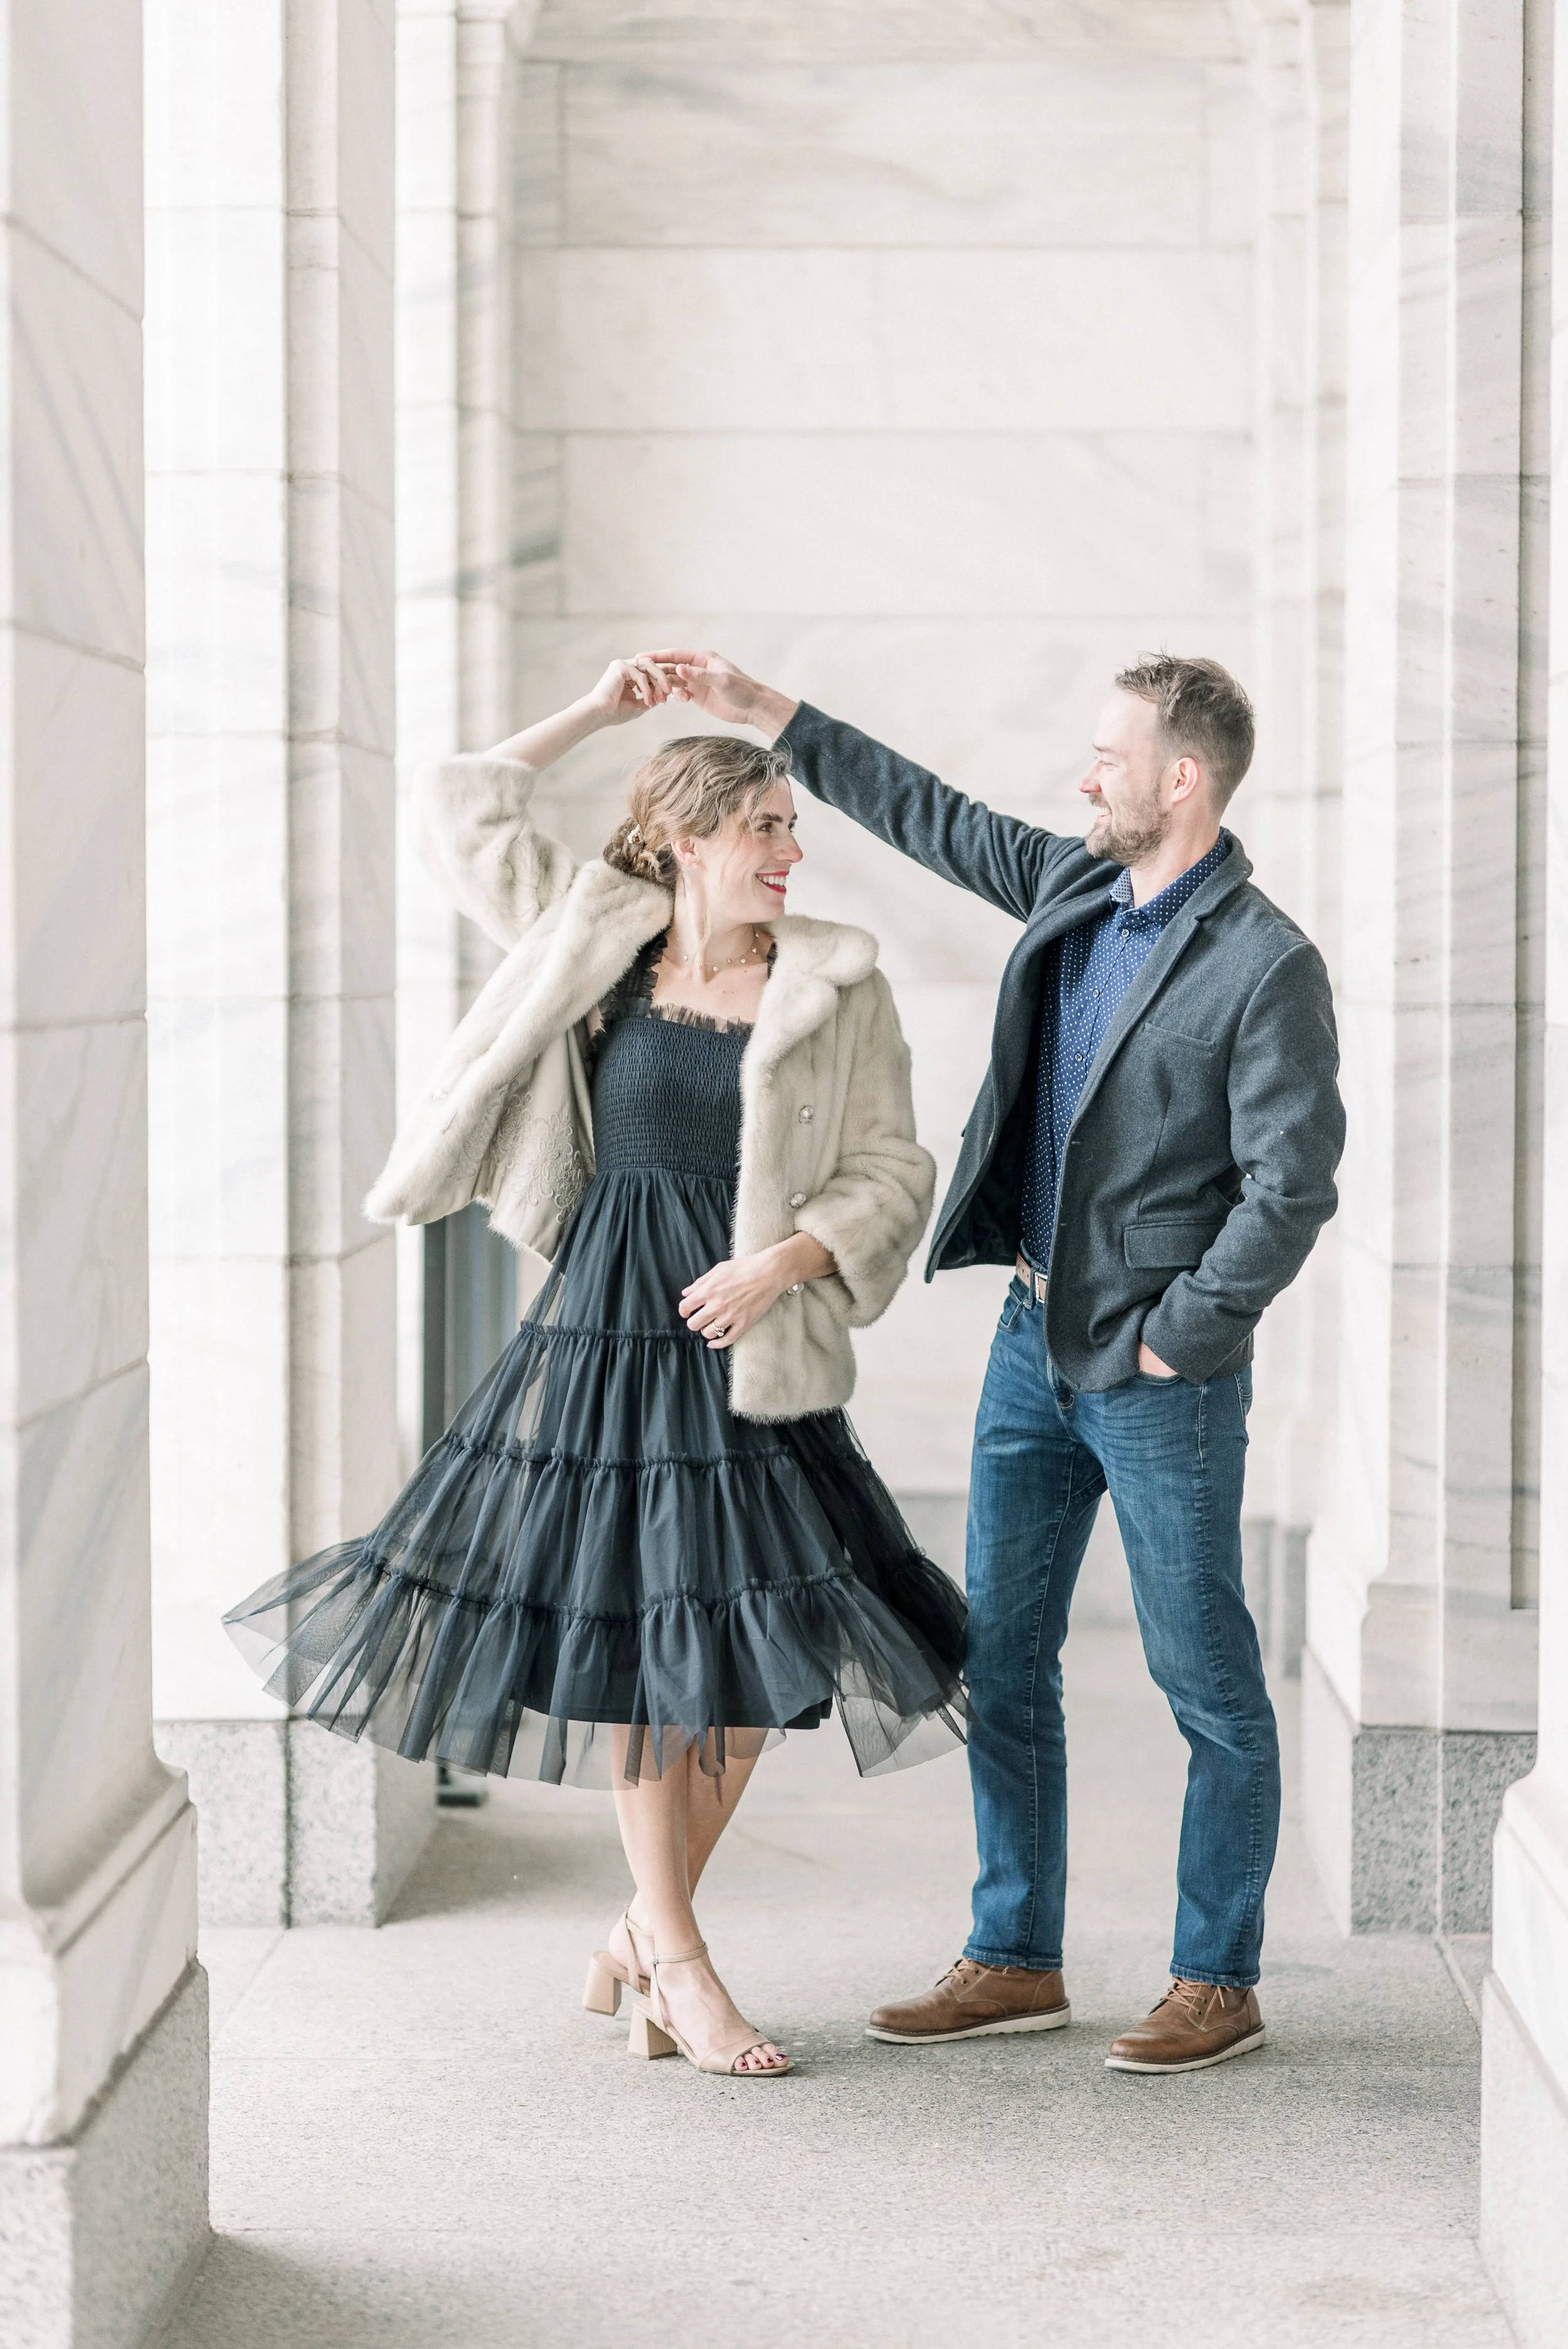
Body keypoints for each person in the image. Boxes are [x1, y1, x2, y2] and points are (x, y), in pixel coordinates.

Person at [223, 659, 967, 2082]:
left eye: (791, 833)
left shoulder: (831, 981)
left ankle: (641, 1928)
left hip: (747, 1330)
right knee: (648, 1651)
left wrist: (785, 1263)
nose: (788, 855)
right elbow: (459, 808)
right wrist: (595, 710)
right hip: (610, 1325)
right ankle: (681, 1965)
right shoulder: (595, 938)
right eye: (763, 828)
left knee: (761, 1676)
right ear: (686, 838)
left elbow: (891, 1166)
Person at [650, 646, 1345, 2075]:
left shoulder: (1265, 964)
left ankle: (1216, 1977)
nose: (1084, 776)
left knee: (1200, 1676)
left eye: (1108, 756)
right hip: (1030, 1340)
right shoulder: (1078, 885)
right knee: (1001, 1660)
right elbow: (929, 813)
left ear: (1180, 779)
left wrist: (1178, 1338)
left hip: (1157, 1379)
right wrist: (768, 713)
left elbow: (1292, 1186)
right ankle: (1013, 1954)